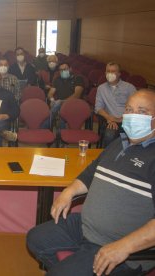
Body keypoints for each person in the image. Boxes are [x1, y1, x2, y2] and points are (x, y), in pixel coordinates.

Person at [27, 90, 155, 276]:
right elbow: (89, 175)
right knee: (36, 238)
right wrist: (68, 192)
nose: (133, 116)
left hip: (119, 245)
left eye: (142, 111)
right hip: (86, 227)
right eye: (129, 109)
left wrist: (124, 246)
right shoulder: (119, 143)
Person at [95, 62, 136, 147]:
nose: (110, 73)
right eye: (108, 71)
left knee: (139, 135)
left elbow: (135, 107)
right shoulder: (101, 88)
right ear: (105, 73)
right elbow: (98, 108)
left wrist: (121, 119)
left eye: (113, 71)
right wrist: (109, 118)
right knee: (109, 135)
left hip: (128, 120)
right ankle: (107, 158)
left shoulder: (129, 87)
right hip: (111, 121)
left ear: (119, 74)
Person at [42, 62, 84, 129]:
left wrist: (63, 102)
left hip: (74, 104)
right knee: (58, 106)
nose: (63, 71)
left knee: (59, 107)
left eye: (65, 69)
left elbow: (77, 95)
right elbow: (50, 93)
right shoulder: (57, 79)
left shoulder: (78, 78)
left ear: (70, 69)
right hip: (60, 105)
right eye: (61, 70)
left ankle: (45, 126)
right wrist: (52, 100)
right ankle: (59, 133)